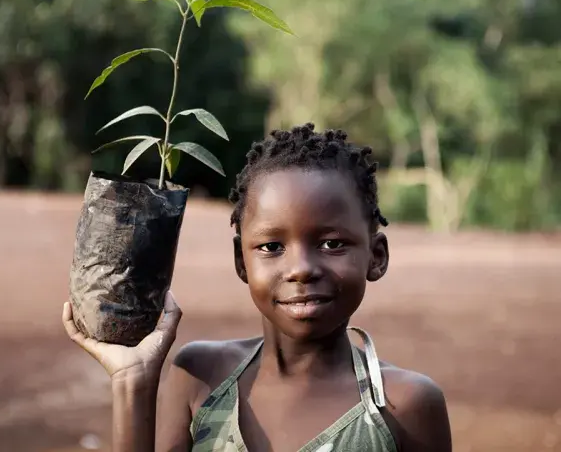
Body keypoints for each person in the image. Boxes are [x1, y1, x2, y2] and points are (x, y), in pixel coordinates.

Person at [63, 123, 452, 452]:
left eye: (332, 244)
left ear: (376, 256)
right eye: (271, 247)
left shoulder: (403, 406)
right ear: (241, 261)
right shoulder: (200, 377)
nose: (300, 269)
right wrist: (133, 382)